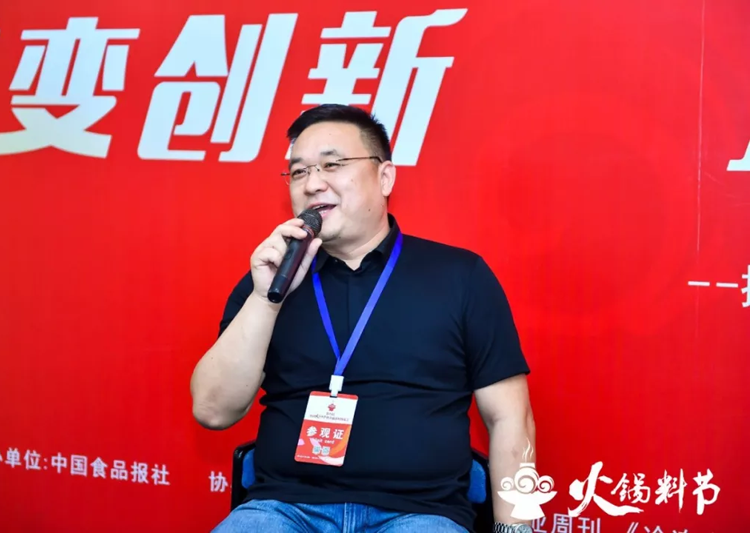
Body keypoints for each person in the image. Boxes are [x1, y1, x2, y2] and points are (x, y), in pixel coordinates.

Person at [190, 104, 536, 533]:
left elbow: (510, 417)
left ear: (384, 177)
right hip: (283, 509)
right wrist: (265, 298)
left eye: (332, 165)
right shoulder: (271, 278)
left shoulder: (460, 276)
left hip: (419, 513)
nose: (313, 184)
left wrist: (515, 529)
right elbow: (212, 410)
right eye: (298, 172)